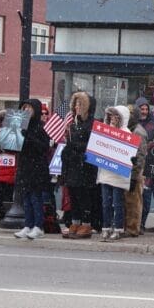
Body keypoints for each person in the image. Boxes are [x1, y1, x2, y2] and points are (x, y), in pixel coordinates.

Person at [13, 99, 52, 240]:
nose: (26, 111)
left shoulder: (40, 127)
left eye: (29, 108)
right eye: (24, 108)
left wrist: (27, 138)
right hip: (24, 165)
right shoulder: (20, 126)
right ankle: (28, 225)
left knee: (36, 198)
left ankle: (38, 226)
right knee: (26, 198)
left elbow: (44, 147)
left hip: (37, 167)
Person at [62, 92, 98, 239]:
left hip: (85, 165)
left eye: (80, 104)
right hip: (72, 165)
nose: (77, 107)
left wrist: (75, 146)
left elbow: (92, 145)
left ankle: (87, 223)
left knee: (84, 196)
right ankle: (75, 221)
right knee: (74, 195)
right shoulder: (73, 124)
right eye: (75, 104)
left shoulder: (92, 124)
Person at [96, 105, 131, 241]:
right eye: (111, 116)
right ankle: (106, 227)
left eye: (116, 116)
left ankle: (117, 228)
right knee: (106, 202)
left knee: (117, 203)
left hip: (118, 174)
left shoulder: (126, 133)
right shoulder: (104, 130)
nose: (112, 119)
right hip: (105, 172)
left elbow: (127, 154)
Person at [134, 98, 154, 233]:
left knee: (147, 194)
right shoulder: (133, 122)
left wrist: (151, 145)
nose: (144, 112)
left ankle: (142, 223)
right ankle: (135, 222)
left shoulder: (153, 122)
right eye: (142, 109)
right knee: (135, 194)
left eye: (146, 109)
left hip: (149, 162)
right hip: (135, 162)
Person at [125, 104, 149, 237]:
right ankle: (128, 226)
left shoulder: (138, 132)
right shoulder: (129, 129)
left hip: (135, 172)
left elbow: (140, 156)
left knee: (134, 202)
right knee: (128, 201)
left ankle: (133, 228)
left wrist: (134, 175)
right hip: (128, 170)